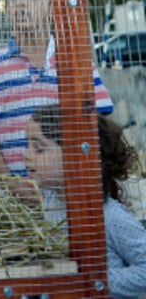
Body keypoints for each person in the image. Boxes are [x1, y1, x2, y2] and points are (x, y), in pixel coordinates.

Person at [0, 0, 114, 202]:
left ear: (52, 6)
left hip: (69, 196)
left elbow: (99, 124)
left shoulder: (75, 64)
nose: (20, 3)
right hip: (15, 199)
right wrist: (12, 185)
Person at [26, 104, 146, 298]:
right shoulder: (50, 202)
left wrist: (95, 281)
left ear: (75, 156)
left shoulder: (109, 216)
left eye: (39, 148)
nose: (26, 154)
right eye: (27, 145)